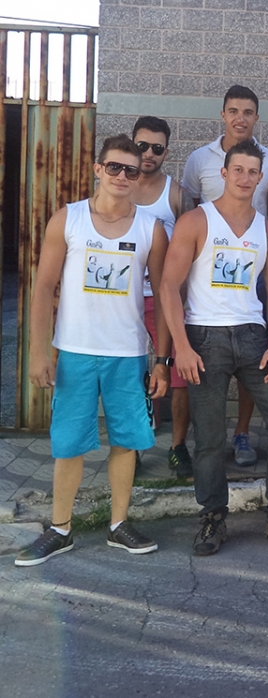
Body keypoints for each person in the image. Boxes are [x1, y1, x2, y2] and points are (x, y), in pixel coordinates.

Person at [16, 135, 169, 566]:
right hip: (76, 351)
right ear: (98, 169)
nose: (122, 175)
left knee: (127, 441)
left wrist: (162, 360)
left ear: (138, 176)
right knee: (69, 443)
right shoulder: (69, 219)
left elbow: (164, 298)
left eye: (131, 170)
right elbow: (43, 288)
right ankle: (60, 529)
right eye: (114, 167)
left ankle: (119, 524)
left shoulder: (151, 229)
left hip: (128, 353)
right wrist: (39, 352)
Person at [162, 139, 268, 555]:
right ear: (225, 173)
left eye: (253, 172)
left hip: (253, 337)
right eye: (239, 170)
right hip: (204, 338)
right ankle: (212, 517)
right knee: (210, 438)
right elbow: (169, 286)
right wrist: (181, 347)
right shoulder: (196, 221)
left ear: (261, 178)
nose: (246, 178)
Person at [182, 85, 268, 467]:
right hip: (207, 280)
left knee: (251, 364)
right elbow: (193, 209)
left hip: (253, 274)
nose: (241, 118)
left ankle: (242, 433)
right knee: (207, 371)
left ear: (256, 117)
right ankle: (196, 442)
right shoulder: (199, 159)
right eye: (234, 111)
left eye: (248, 112)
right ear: (223, 114)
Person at [130, 115, 194, 478]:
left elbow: (194, 246)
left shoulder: (176, 194)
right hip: (122, 298)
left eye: (157, 148)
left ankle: (177, 446)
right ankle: (134, 447)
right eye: (142, 146)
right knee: (130, 374)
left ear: (166, 152)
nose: (149, 153)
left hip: (162, 298)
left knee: (179, 374)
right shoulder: (118, 186)